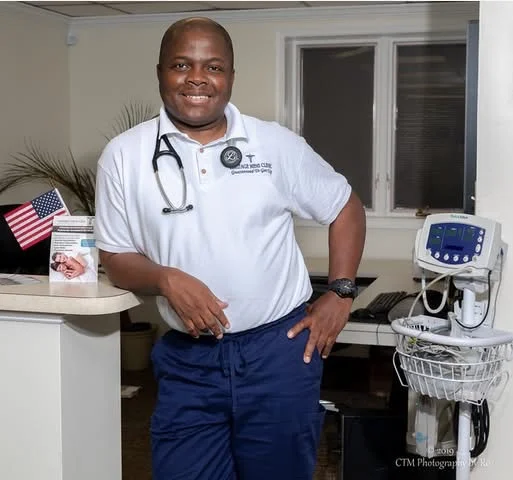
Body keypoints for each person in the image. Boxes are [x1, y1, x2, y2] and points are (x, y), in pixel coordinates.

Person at [95, 16, 366, 480]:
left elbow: (346, 207)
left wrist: (341, 293)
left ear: (231, 77)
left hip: (278, 353)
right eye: (182, 64)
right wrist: (164, 278)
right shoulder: (124, 156)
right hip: (189, 361)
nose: (197, 78)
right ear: (160, 72)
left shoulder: (274, 144)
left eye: (213, 66)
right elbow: (115, 258)